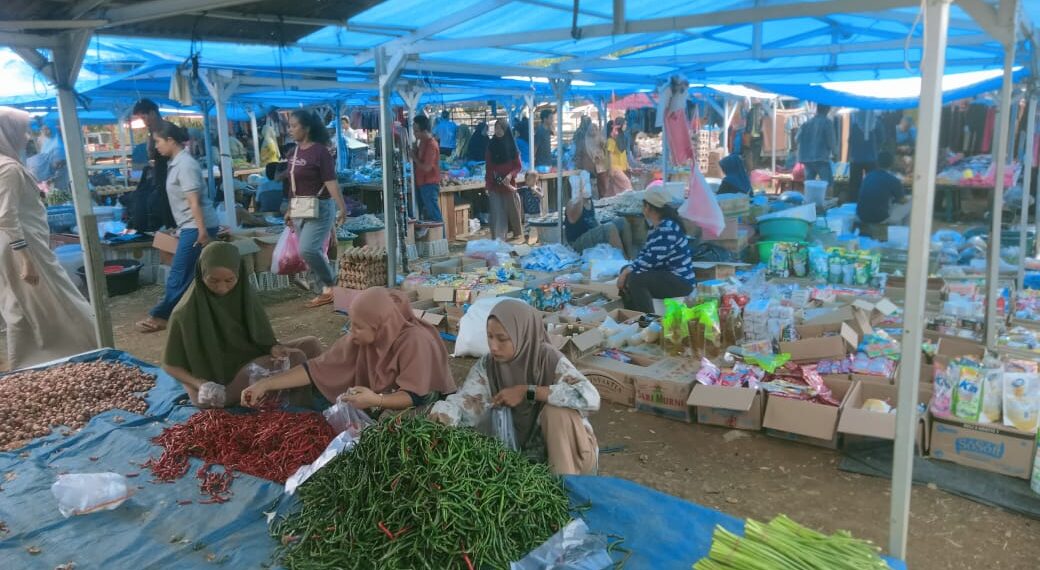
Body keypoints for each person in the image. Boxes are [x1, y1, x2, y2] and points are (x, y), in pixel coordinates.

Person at [430, 299, 599, 476]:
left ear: (522, 334)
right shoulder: (489, 365)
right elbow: (468, 400)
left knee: (557, 412)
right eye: (490, 336)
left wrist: (529, 392)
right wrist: (445, 414)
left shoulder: (547, 359)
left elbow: (590, 397)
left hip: (575, 457)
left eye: (502, 339)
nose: (493, 346)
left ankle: (565, 487)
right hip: (528, 461)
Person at [241, 287, 456, 414]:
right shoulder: (358, 340)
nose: (351, 331)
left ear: (380, 327)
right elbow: (316, 369)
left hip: (419, 403)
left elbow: (415, 395)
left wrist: (377, 400)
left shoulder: (414, 341)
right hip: (381, 398)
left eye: (358, 326)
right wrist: (265, 384)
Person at [161, 242, 323, 407]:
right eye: (213, 280)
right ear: (200, 274)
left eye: (229, 280)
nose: (222, 288)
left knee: (311, 345)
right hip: (216, 384)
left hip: (245, 359)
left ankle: (316, 390)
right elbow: (169, 365)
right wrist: (200, 384)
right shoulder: (184, 313)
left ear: (240, 275)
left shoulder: (244, 296)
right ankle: (299, 411)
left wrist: (273, 347)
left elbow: (262, 338)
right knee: (296, 357)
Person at [0, 106, 96, 369]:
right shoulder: (8, 168)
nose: (27, 137)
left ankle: (30, 363)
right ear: (7, 132)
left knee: (23, 306)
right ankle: (87, 349)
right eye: (22, 130)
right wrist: (25, 258)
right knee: (56, 299)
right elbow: (6, 215)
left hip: (17, 245)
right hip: (22, 247)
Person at [135, 121, 221, 334]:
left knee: (179, 273)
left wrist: (201, 230)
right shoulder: (178, 163)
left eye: (158, 141)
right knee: (190, 274)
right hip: (191, 226)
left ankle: (161, 316)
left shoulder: (185, 165)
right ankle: (191, 314)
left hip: (196, 226)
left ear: (171, 140)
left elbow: (194, 201)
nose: (156, 146)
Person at [284, 109, 349, 309]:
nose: (290, 130)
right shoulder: (293, 152)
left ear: (307, 128)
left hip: (320, 206)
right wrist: (289, 209)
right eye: (290, 126)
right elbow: (292, 185)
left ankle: (332, 284)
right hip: (299, 207)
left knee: (308, 249)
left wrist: (342, 207)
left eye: (294, 126)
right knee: (310, 252)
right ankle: (325, 291)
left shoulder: (321, 152)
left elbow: (331, 182)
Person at [617, 185, 695, 313]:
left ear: (648, 207)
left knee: (636, 279)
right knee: (628, 272)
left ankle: (647, 319)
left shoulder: (667, 228)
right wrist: (626, 271)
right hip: (667, 275)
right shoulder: (656, 227)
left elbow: (651, 260)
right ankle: (631, 314)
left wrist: (626, 272)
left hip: (681, 281)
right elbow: (645, 254)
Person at [129, 99, 176, 231]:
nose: (144, 122)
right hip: (162, 177)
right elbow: (150, 154)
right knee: (164, 208)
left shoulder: (168, 129)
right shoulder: (153, 131)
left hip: (173, 175)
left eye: (144, 117)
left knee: (173, 210)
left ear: (152, 113)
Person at [565, 176, 633, 258]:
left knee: (622, 221)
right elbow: (572, 219)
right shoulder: (572, 203)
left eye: (594, 185)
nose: (593, 189)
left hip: (590, 235)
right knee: (609, 228)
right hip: (577, 243)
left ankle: (631, 257)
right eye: (590, 185)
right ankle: (623, 260)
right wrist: (580, 196)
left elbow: (593, 222)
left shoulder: (589, 202)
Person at [485, 118, 524, 242]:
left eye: (500, 128)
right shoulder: (491, 145)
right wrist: (488, 185)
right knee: (496, 211)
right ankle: (498, 237)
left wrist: (510, 175)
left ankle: (517, 233)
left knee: (513, 209)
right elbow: (489, 167)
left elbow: (518, 166)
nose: (498, 131)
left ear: (505, 130)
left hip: (509, 183)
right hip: (495, 182)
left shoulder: (512, 145)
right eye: (496, 128)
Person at [856, 151, 910, 225]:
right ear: (892, 164)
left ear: (877, 163)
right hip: (880, 218)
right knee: (912, 202)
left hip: (861, 216)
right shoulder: (893, 180)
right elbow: (902, 201)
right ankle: (904, 228)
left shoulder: (868, 176)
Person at [411, 114, 443, 222]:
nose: (414, 134)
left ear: (424, 131)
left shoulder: (431, 145)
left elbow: (427, 168)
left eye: (416, 131)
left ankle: (441, 233)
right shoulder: (422, 142)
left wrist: (414, 158)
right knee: (428, 215)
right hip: (423, 183)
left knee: (435, 215)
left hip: (429, 183)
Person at [796, 103, 836, 189]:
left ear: (817, 109)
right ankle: (826, 197)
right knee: (827, 184)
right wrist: (835, 153)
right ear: (827, 109)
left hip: (807, 159)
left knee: (809, 185)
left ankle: (810, 197)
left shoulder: (806, 123)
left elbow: (797, 139)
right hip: (821, 158)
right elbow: (831, 141)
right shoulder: (827, 122)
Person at [847, 111, 883, 203]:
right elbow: (882, 139)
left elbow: (850, 141)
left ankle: (853, 203)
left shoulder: (855, 125)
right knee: (872, 182)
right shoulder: (876, 124)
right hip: (872, 158)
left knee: (855, 184)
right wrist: (876, 149)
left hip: (856, 158)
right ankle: (871, 202)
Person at [26, 118, 65, 187]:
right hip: (45, 178)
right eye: (43, 130)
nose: (46, 132)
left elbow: (58, 164)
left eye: (47, 129)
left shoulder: (58, 145)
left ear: (52, 128)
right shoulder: (45, 142)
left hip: (56, 176)